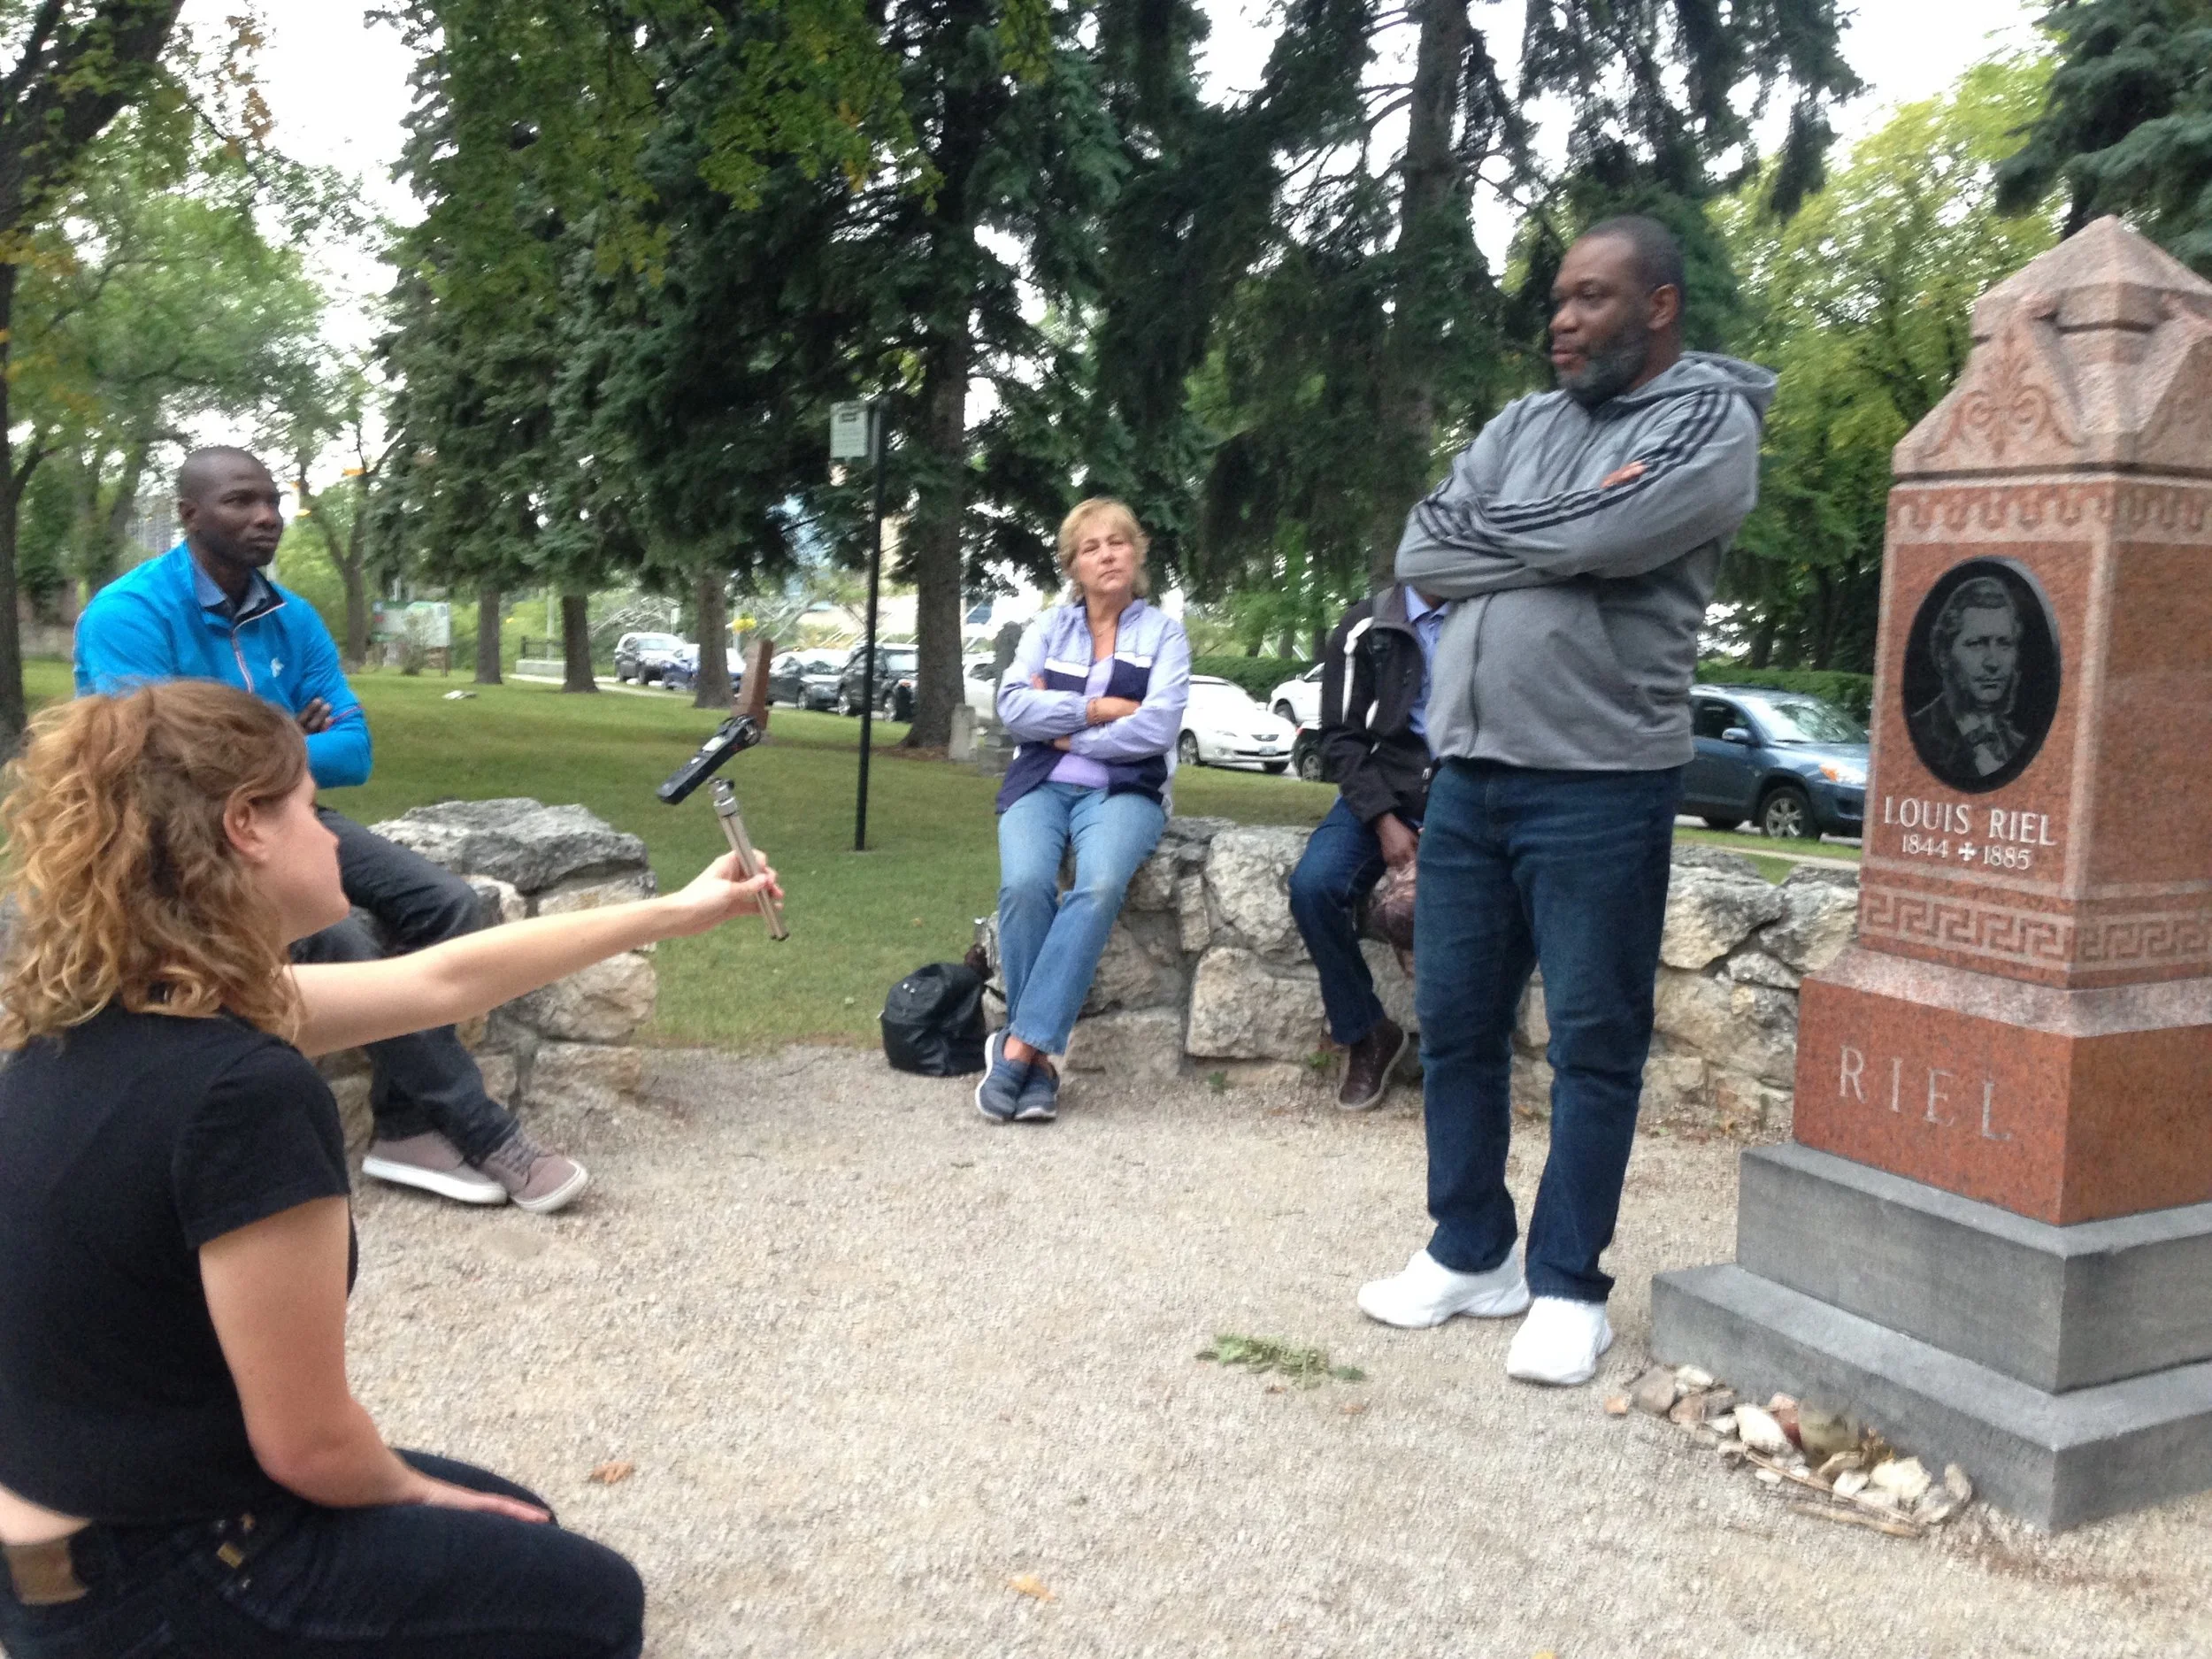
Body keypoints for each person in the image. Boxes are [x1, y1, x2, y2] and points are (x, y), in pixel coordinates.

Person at [0, 680, 782, 1656]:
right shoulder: (241, 1091)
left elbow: (439, 981)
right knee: (592, 1602)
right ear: (245, 827)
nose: (332, 835)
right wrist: (418, 1495)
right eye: (307, 809)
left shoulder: (110, 1008)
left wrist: (674, 912)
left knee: (520, 1515)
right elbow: (310, 1444)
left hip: (77, 1535)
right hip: (160, 1576)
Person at [1358, 215, 1775, 1386]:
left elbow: (1612, 529)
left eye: (1593, 297)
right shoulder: (1523, 422)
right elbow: (1422, 551)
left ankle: (1568, 1283)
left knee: (1594, 1039)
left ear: (1659, 307)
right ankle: (1471, 1245)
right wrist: (1562, 542)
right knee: (1458, 1023)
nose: (1562, 318)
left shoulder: (1708, 421)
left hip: (1600, 779)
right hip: (1474, 773)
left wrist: (1539, 535)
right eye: (1558, 297)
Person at [73, 446, 586, 1214]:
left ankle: (405, 1129)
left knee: (448, 902)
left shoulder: (292, 616)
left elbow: (354, 751)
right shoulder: (129, 615)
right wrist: (282, 733)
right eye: (241, 501)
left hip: (289, 813)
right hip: (176, 843)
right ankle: (481, 1130)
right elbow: (160, 771)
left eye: (273, 500)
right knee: (342, 935)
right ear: (188, 515)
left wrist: (253, 747)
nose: (266, 516)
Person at [980, 497, 1191, 1124]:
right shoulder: (1049, 629)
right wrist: (1098, 710)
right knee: (1023, 885)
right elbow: (1013, 706)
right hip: (1041, 782)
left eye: (1118, 542)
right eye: (1092, 547)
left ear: (1138, 552)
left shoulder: (1164, 634)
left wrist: (1065, 725)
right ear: (1073, 565)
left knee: (1098, 885)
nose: (1107, 554)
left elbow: (1157, 727)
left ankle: (1019, 1045)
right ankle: (1040, 1067)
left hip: (1125, 789)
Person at [1286, 583, 1446, 1110]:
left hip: (1463, 792)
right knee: (1314, 887)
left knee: (1484, 904)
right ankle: (1367, 1032)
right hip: (1382, 790)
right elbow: (1340, 737)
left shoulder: (1488, 613)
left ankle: (1459, 1059)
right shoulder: (1365, 625)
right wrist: (1383, 820)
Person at [1908, 575, 2025, 784]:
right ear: (1944, 655)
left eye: (2004, 643)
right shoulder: (1921, 734)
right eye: (1977, 644)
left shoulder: (2017, 746)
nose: (1993, 662)